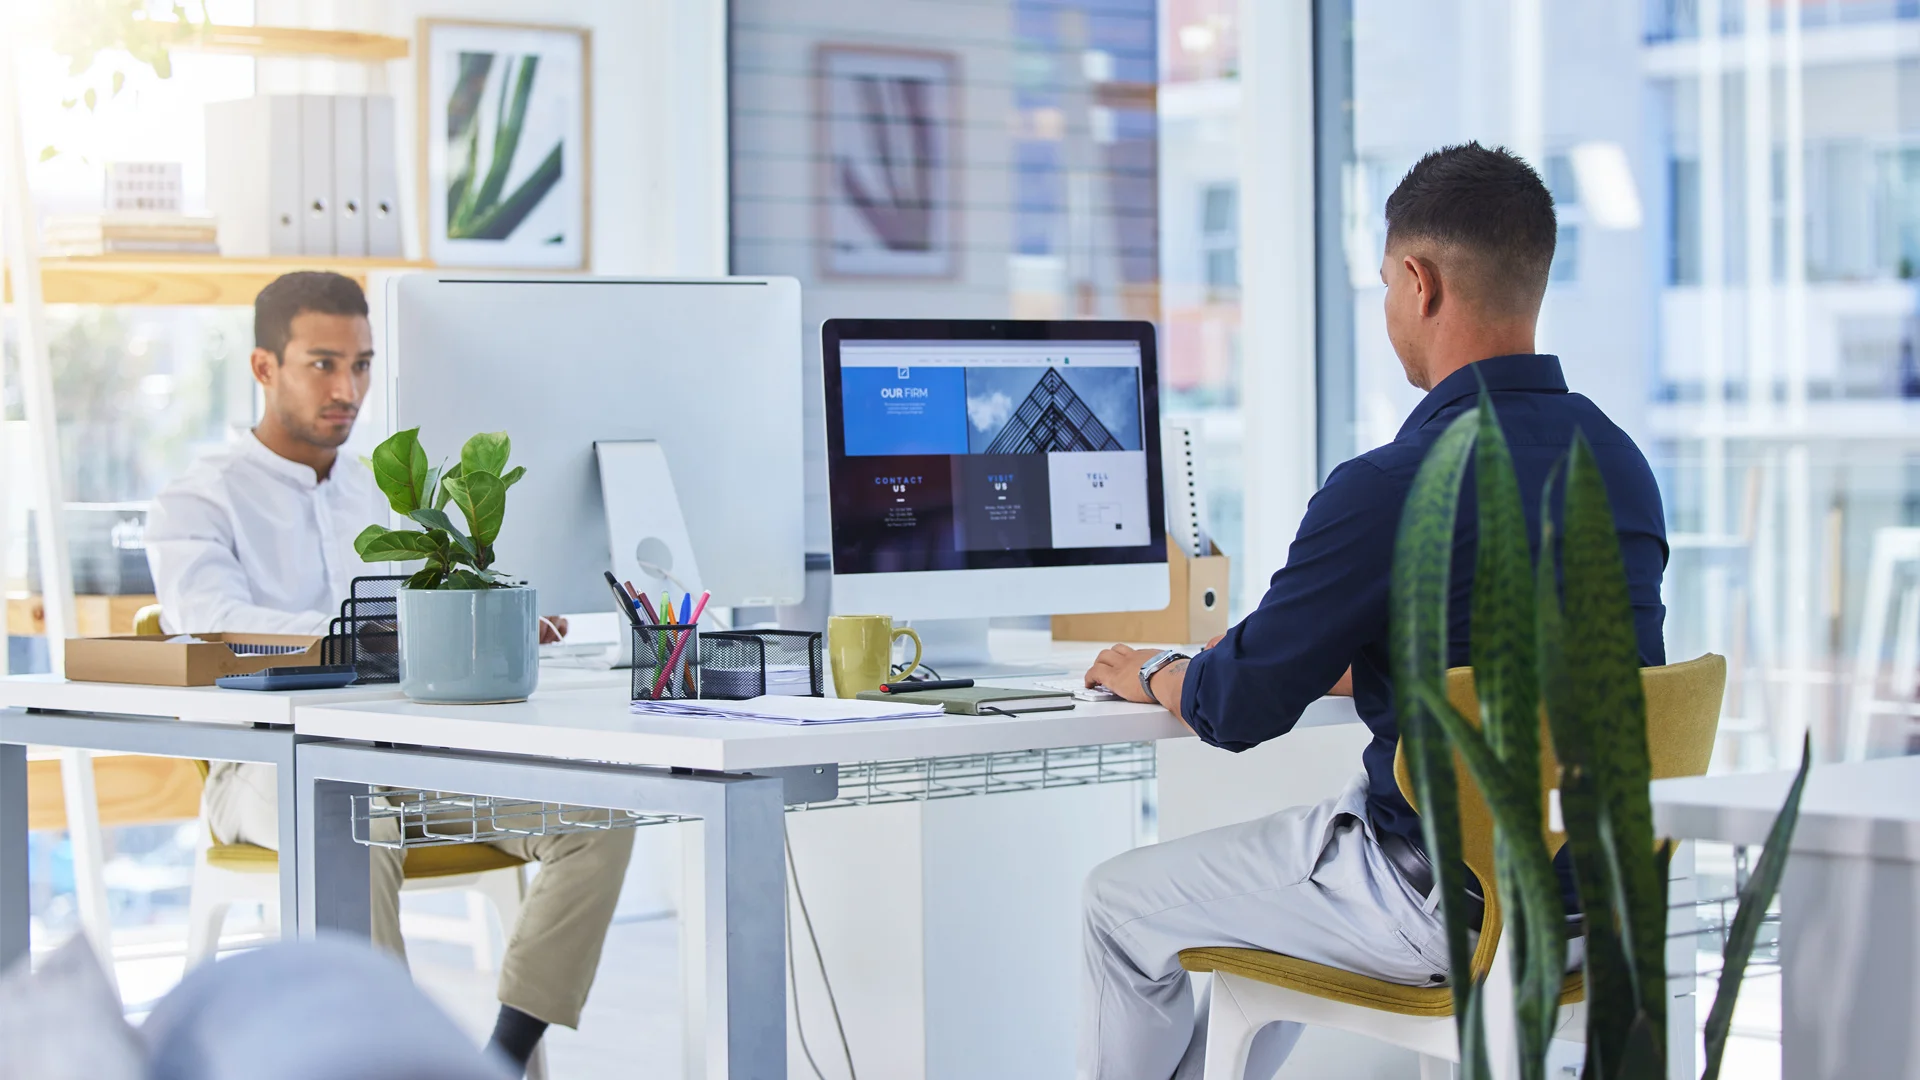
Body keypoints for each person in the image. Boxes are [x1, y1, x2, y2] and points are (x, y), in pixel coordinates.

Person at [1077, 144, 1669, 1079]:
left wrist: (1152, 672)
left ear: (1418, 281)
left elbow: (1238, 707)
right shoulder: (1620, 463)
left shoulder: (1391, 487)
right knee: (1281, 890)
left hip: (1445, 906)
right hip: (1597, 904)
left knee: (1116, 904)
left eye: (1385, 286)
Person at [145, 271, 634, 1075]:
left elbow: (427, 613)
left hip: (409, 754)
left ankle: (501, 1059)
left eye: (363, 364)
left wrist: (480, 615)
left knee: (603, 814)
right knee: (351, 809)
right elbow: (210, 620)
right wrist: (380, 631)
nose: (349, 388)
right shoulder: (199, 500)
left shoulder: (385, 487)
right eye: (324, 364)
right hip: (265, 766)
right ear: (265, 367)